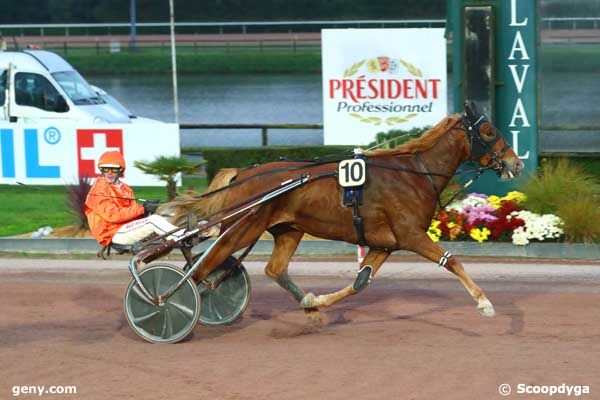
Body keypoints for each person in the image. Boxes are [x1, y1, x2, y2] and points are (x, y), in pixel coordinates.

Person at [85, 150, 187, 248]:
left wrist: (148, 209)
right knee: (154, 221)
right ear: (101, 169)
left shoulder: (125, 188)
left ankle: (188, 232)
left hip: (125, 228)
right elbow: (113, 215)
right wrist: (142, 208)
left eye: (114, 169)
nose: (109, 172)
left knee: (166, 215)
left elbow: (133, 216)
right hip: (112, 233)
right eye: (105, 169)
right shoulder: (98, 190)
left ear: (121, 169)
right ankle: (183, 237)